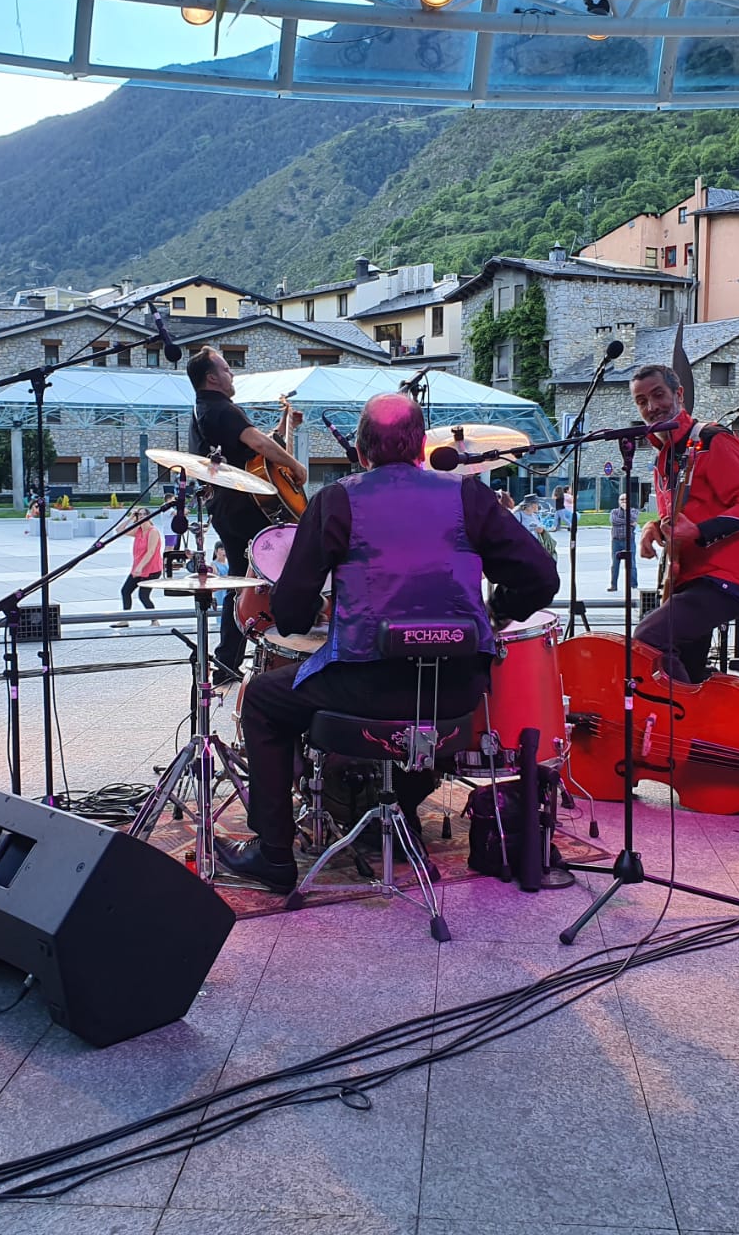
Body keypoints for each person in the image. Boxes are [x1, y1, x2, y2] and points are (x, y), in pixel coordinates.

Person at [216, 392, 559, 892]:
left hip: (366, 688)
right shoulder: (468, 496)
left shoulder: (337, 500)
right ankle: (402, 805)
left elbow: (288, 615)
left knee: (265, 699)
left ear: (360, 452)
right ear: (422, 449)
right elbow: (541, 579)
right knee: (412, 703)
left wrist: (326, 602)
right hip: (456, 692)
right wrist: (495, 612)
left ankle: (274, 855)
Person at [631, 364, 739, 684]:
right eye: (641, 401)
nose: (651, 407)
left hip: (726, 579)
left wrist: (700, 532)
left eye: (658, 395)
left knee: (649, 640)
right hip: (691, 579)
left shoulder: (713, 441)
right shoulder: (664, 456)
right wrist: (655, 527)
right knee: (686, 669)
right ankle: (691, 712)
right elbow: (680, 515)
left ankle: (683, 710)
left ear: (679, 394)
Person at [187, 347, 307, 683]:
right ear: (211, 378)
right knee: (289, 565)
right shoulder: (222, 408)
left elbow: (258, 453)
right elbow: (260, 444)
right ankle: (287, 645)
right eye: (226, 369)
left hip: (228, 506)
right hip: (243, 506)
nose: (232, 374)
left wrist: (285, 425)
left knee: (242, 581)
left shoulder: (204, 410)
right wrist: (296, 465)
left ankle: (229, 660)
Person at [116, 508, 163, 625]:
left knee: (143, 596)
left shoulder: (153, 531)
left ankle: (155, 620)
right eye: (139, 514)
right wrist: (131, 517)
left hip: (151, 569)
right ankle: (125, 619)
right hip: (138, 568)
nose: (141, 516)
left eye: (144, 514)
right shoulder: (138, 530)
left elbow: (151, 551)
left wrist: (140, 566)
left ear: (149, 516)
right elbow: (119, 530)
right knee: (125, 591)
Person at [608, 493, 638, 592]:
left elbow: (632, 518)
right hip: (616, 541)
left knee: (631, 564)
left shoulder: (634, 511)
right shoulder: (614, 511)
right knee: (615, 564)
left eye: (626, 500)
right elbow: (614, 521)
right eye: (622, 500)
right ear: (618, 501)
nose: (624, 502)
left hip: (629, 541)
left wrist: (626, 511)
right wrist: (629, 523)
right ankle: (613, 585)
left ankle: (633, 585)